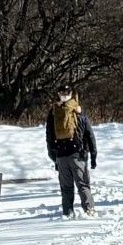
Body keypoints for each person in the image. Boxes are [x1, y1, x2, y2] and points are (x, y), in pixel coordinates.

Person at [45, 84, 98, 217]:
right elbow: (89, 133)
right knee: (83, 185)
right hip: (77, 153)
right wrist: (93, 153)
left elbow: (49, 137)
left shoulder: (54, 112)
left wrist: (54, 156)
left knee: (66, 187)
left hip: (61, 154)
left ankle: (68, 212)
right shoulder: (78, 111)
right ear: (71, 94)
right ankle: (89, 209)